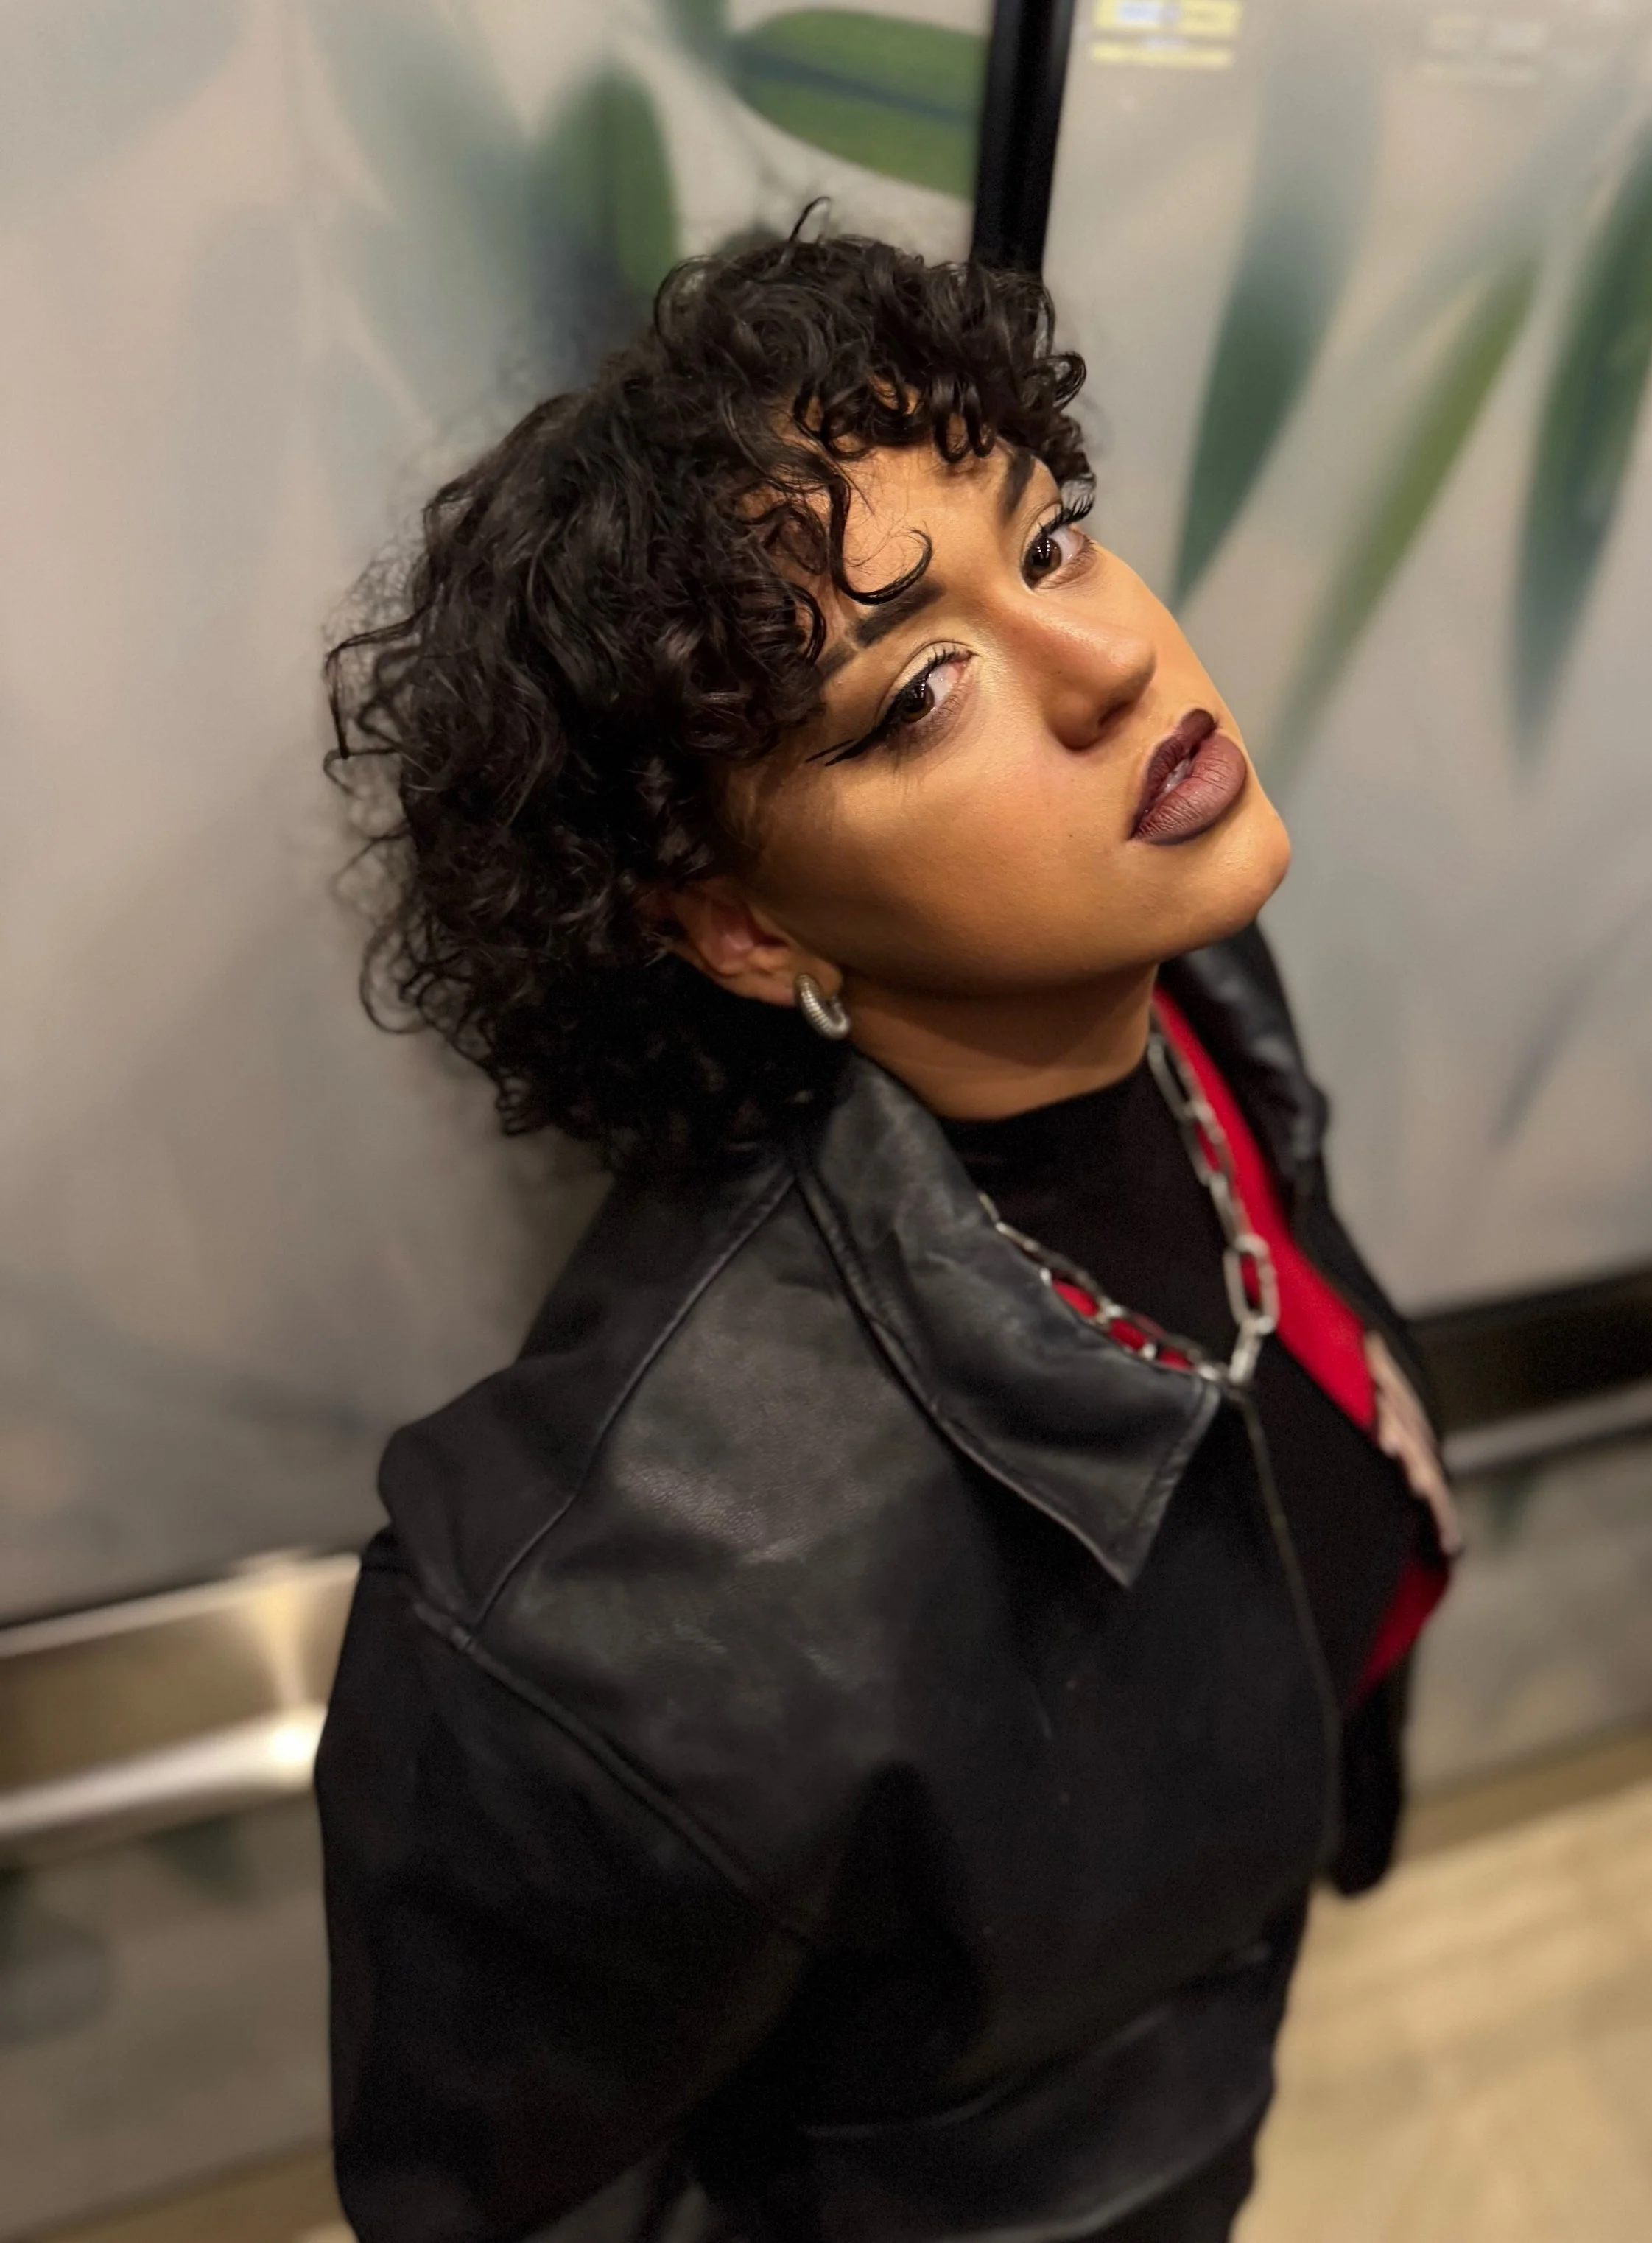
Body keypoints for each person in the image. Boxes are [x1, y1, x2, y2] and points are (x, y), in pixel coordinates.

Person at [314, 227, 1462, 2243]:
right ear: (745, 923)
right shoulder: (598, 1618)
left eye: (1051, 542)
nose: (1114, 662)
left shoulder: (1188, 976)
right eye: (920, 686)